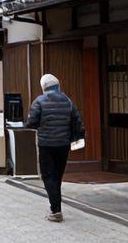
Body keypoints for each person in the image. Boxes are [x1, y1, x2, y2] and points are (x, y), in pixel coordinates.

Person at [25, 73, 85, 223]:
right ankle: (55, 206)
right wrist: (78, 137)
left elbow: (31, 123)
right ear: (57, 85)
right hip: (63, 145)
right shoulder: (67, 101)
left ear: (43, 86)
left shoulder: (39, 101)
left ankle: (56, 210)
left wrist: (40, 124)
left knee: (48, 176)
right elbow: (78, 121)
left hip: (46, 144)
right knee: (57, 176)